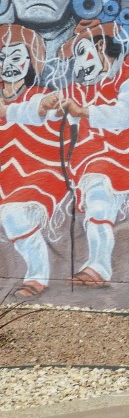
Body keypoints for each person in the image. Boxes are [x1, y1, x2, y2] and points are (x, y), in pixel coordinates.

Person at [51, 20, 129, 307]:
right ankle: (97, 267)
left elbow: (124, 115)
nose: (77, 63)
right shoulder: (97, 82)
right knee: (96, 196)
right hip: (109, 155)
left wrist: (82, 111)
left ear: (99, 46)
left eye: (81, 52)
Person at [0, 23, 66, 298]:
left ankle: (37, 275)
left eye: (16, 57)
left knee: (14, 215)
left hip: (35, 174)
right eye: (3, 57)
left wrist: (41, 107)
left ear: (30, 61)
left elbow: (42, 112)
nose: (9, 64)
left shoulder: (38, 96)